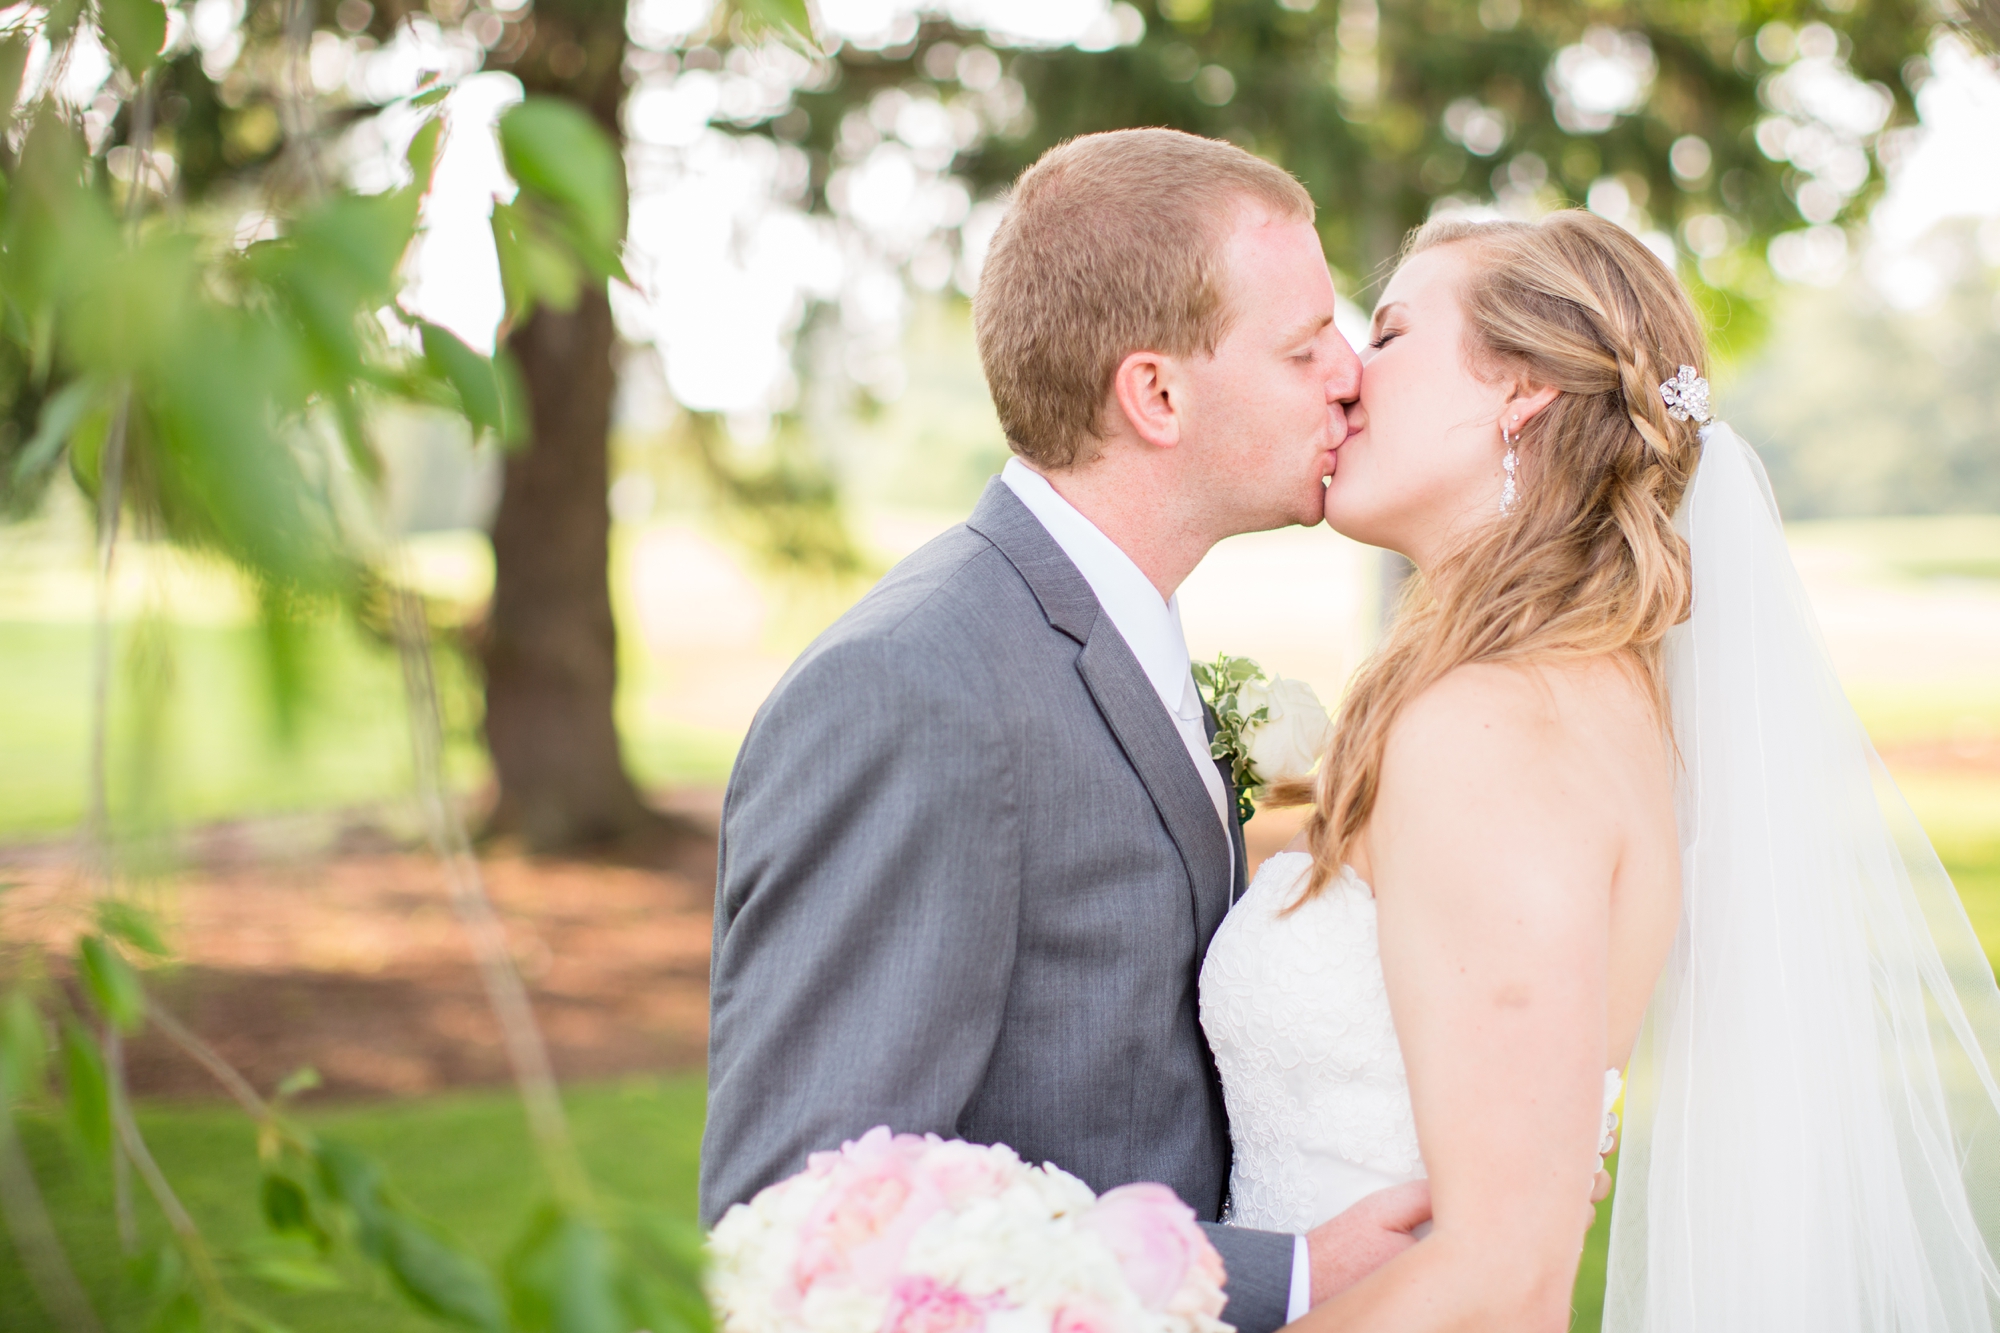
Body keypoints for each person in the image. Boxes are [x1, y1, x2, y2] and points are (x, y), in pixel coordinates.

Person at [1203, 209, 2000, 1330]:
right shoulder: (1571, 694)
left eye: (1385, 337)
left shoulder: (1494, 728)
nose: (1342, 374)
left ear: (1518, 389)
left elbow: (1503, 1274)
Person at [700, 128, 1429, 1333]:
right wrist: (1290, 1278)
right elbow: (804, 1221)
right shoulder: (914, 688)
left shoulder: (1111, 633)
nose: (1351, 374)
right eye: (1303, 346)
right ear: (1154, 393)